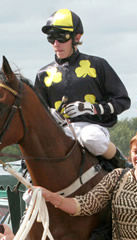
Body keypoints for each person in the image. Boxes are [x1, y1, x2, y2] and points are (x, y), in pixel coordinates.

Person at [34, 8, 131, 170]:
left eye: (61, 38)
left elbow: (123, 101)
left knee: (92, 139)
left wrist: (92, 108)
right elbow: (37, 111)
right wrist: (49, 114)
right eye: (51, 39)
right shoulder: (42, 74)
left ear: (77, 37)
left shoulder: (98, 65)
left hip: (91, 127)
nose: (56, 44)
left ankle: (124, 167)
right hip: (59, 131)